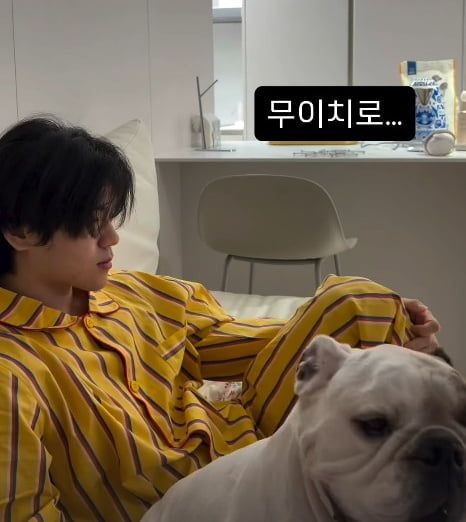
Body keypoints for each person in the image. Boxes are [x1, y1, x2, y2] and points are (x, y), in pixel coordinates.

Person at [0, 117, 441, 521]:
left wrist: (386, 327)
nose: (112, 238)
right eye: (93, 223)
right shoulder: (13, 374)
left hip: (249, 438)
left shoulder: (129, 292)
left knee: (358, 300)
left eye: (112, 219)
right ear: (21, 231)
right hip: (183, 504)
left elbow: (233, 343)